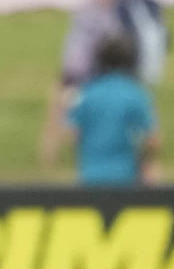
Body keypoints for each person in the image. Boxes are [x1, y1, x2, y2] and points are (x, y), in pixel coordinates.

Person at [41, 0, 168, 167]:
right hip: (129, 63)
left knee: (65, 106)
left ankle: (50, 153)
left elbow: (87, 37)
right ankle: (145, 161)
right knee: (139, 110)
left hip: (89, 66)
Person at [65, 34, 160, 186]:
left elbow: (72, 134)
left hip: (90, 177)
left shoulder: (87, 92)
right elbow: (152, 140)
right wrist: (144, 162)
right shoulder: (135, 94)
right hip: (126, 177)